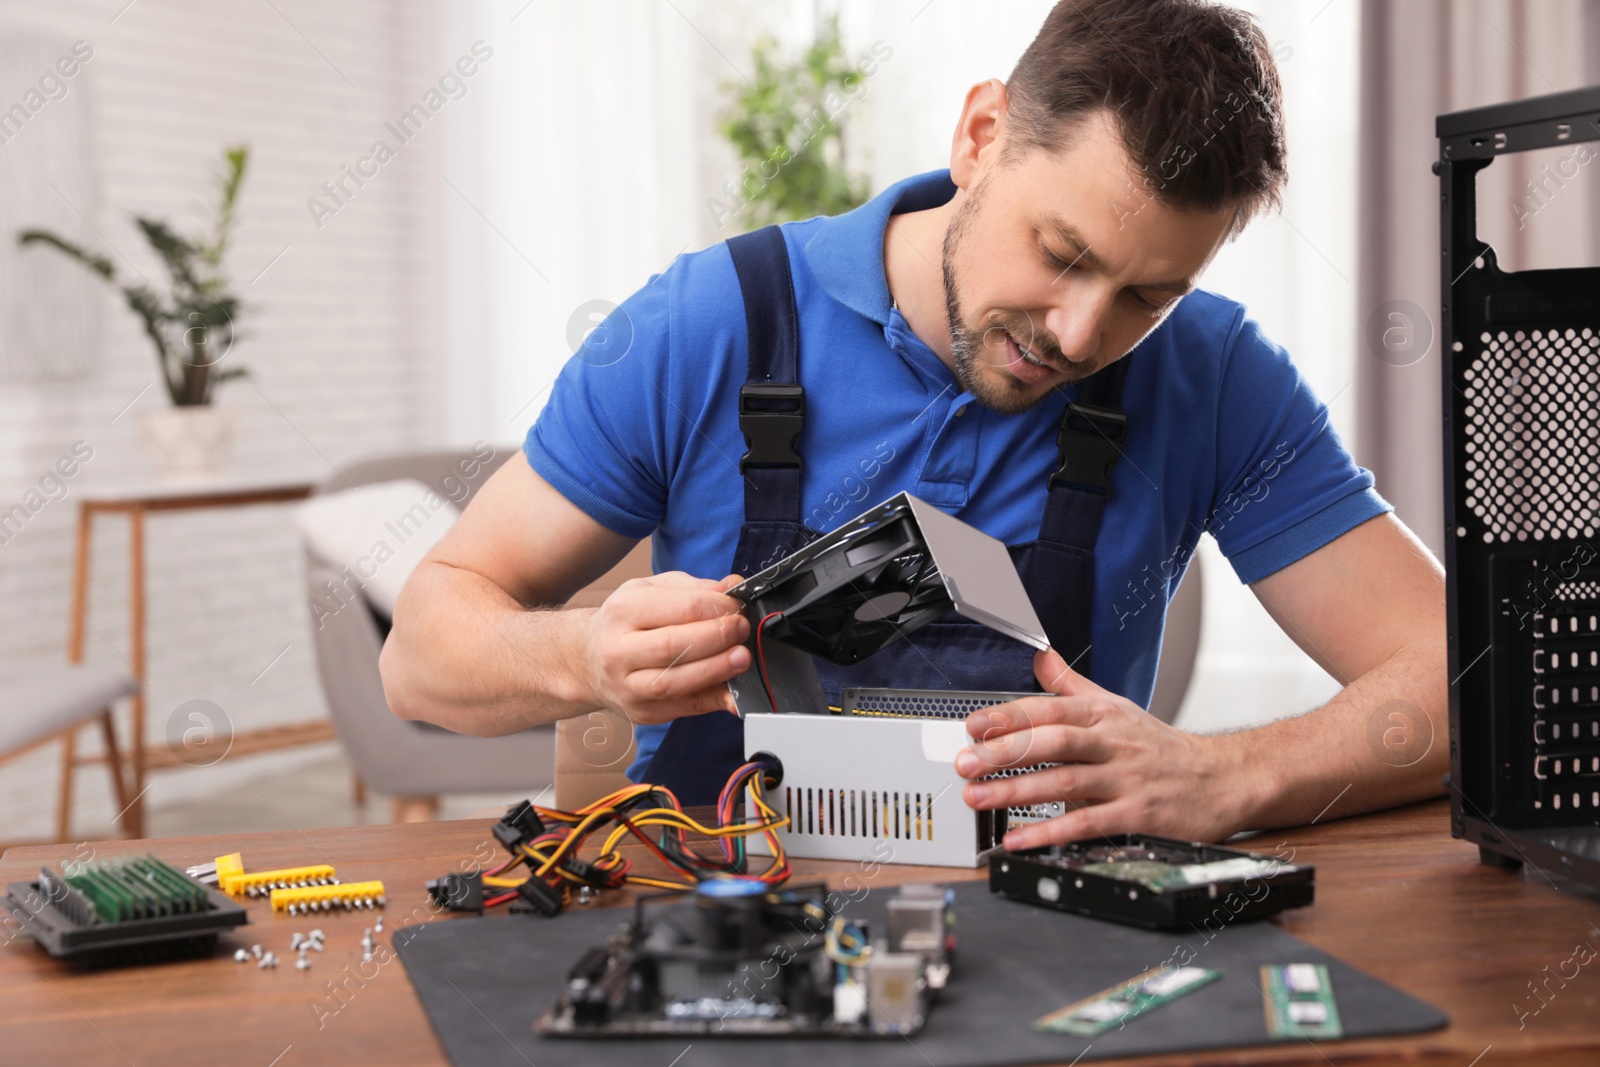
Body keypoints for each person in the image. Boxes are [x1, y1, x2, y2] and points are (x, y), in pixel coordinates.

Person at [380, 0, 1446, 847]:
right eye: (1062, 253)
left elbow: (1466, 672)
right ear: (982, 135)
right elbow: (420, 656)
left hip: (1054, 938)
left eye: (1143, 295)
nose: (1078, 334)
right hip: (719, 922)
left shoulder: (1211, 372)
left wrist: (1226, 771)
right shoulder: (708, 323)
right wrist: (584, 652)